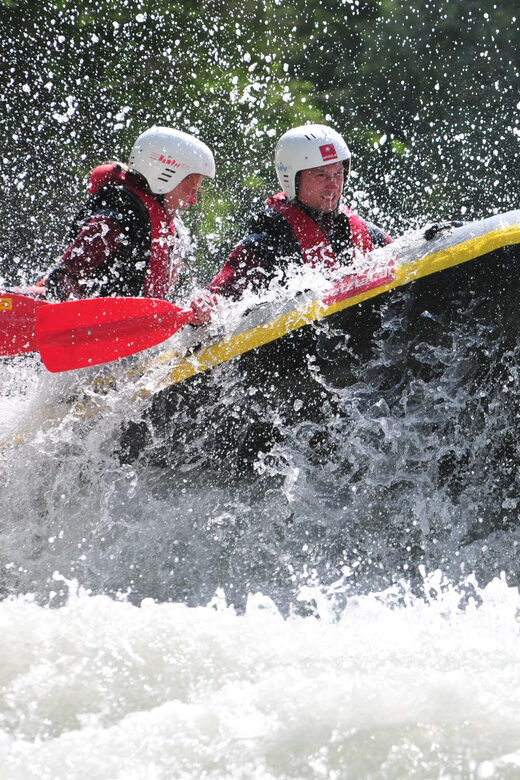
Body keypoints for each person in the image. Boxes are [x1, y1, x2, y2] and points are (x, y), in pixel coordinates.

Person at [207, 123, 392, 300]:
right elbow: (215, 299)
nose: (334, 185)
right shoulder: (263, 248)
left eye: (338, 173)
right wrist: (207, 303)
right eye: (321, 175)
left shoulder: (371, 236)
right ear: (292, 180)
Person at [44, 126, 215, 304]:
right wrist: (79, 316)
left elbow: (166, 304)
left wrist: (197, 312)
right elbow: (60, 276)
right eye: (191, 189)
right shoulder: (116, 219)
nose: (194, 200)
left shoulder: (174, 231)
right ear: (164, 177)